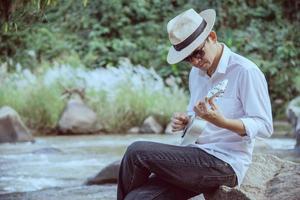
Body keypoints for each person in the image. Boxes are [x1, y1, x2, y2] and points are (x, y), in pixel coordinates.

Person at [117, 8, 273, 200]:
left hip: (225, 163)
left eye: (198, 53)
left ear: (212, 37)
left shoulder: (245, 71)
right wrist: (187, 120)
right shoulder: (196, 74)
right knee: (136, 198)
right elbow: (199, 121)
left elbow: (265, 126)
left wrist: (222, 122)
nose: (195, 61)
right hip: (194, 156)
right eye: (188, 58)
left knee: (136, 151)